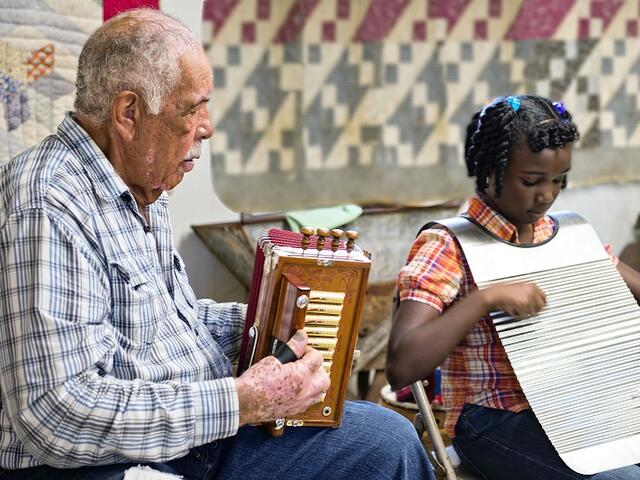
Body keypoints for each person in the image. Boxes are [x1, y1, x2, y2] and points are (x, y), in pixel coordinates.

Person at [0, 8, 434, 480]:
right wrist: (243, 401)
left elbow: (166, 324)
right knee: (383, 448)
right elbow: (55, 412)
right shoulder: (47, 204)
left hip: (192, 435)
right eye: (192, 108)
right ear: (128, 113)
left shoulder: (142, 186)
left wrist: (274, 317)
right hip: (111, 462)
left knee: (387, 439)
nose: (207, 126)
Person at [386, 94, 640, 480]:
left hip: (570, 406)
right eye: (531, 181)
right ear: (491, 171)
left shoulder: (562, 234)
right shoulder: (450, 245)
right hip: (491, 423)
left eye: (559, 180)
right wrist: (486, 297)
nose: (547, 195)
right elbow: (402, 366)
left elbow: (621, 279)